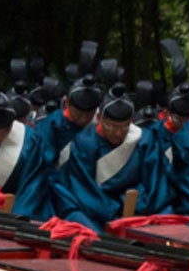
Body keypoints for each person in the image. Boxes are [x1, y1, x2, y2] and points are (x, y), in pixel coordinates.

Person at [51, 95, 167, 230]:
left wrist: (130, 203)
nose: (118, 133)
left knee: (167, 219)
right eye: (111, 127)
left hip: (137, 204)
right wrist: (115, 209)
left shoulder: (144, 140)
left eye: (124, 127)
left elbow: (154, 184)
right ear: (99, 118)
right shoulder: (85, 142)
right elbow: (83, 188)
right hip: (95, 206)